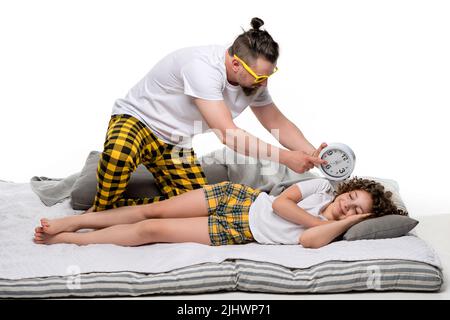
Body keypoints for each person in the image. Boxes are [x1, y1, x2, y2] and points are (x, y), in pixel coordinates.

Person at [91, 17, 327, 212]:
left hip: (175, 142)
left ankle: (121, 211)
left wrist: (315, 155)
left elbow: (278, 123)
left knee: (196, 209)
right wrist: (287, 158)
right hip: (138, 120)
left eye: (269, 75)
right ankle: (101, 210)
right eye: (259, 77)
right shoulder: (202, 68)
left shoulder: (253, 82)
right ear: (236, 65)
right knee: (118, 156)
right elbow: (228, 135)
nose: (263, 83)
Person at [34, 177, 406, 249]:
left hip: (237, 229)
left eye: (357, 210)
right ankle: (75, 220)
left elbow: (308, 241)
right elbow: (279, 203)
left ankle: (67, 238)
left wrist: (348, 224)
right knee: (154, 209)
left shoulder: (333, 230)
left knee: (151, 229)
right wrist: (325, 218)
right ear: (347, 188)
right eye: (353, 197)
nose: (349, 205)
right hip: (239, 198)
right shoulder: (320, 188)